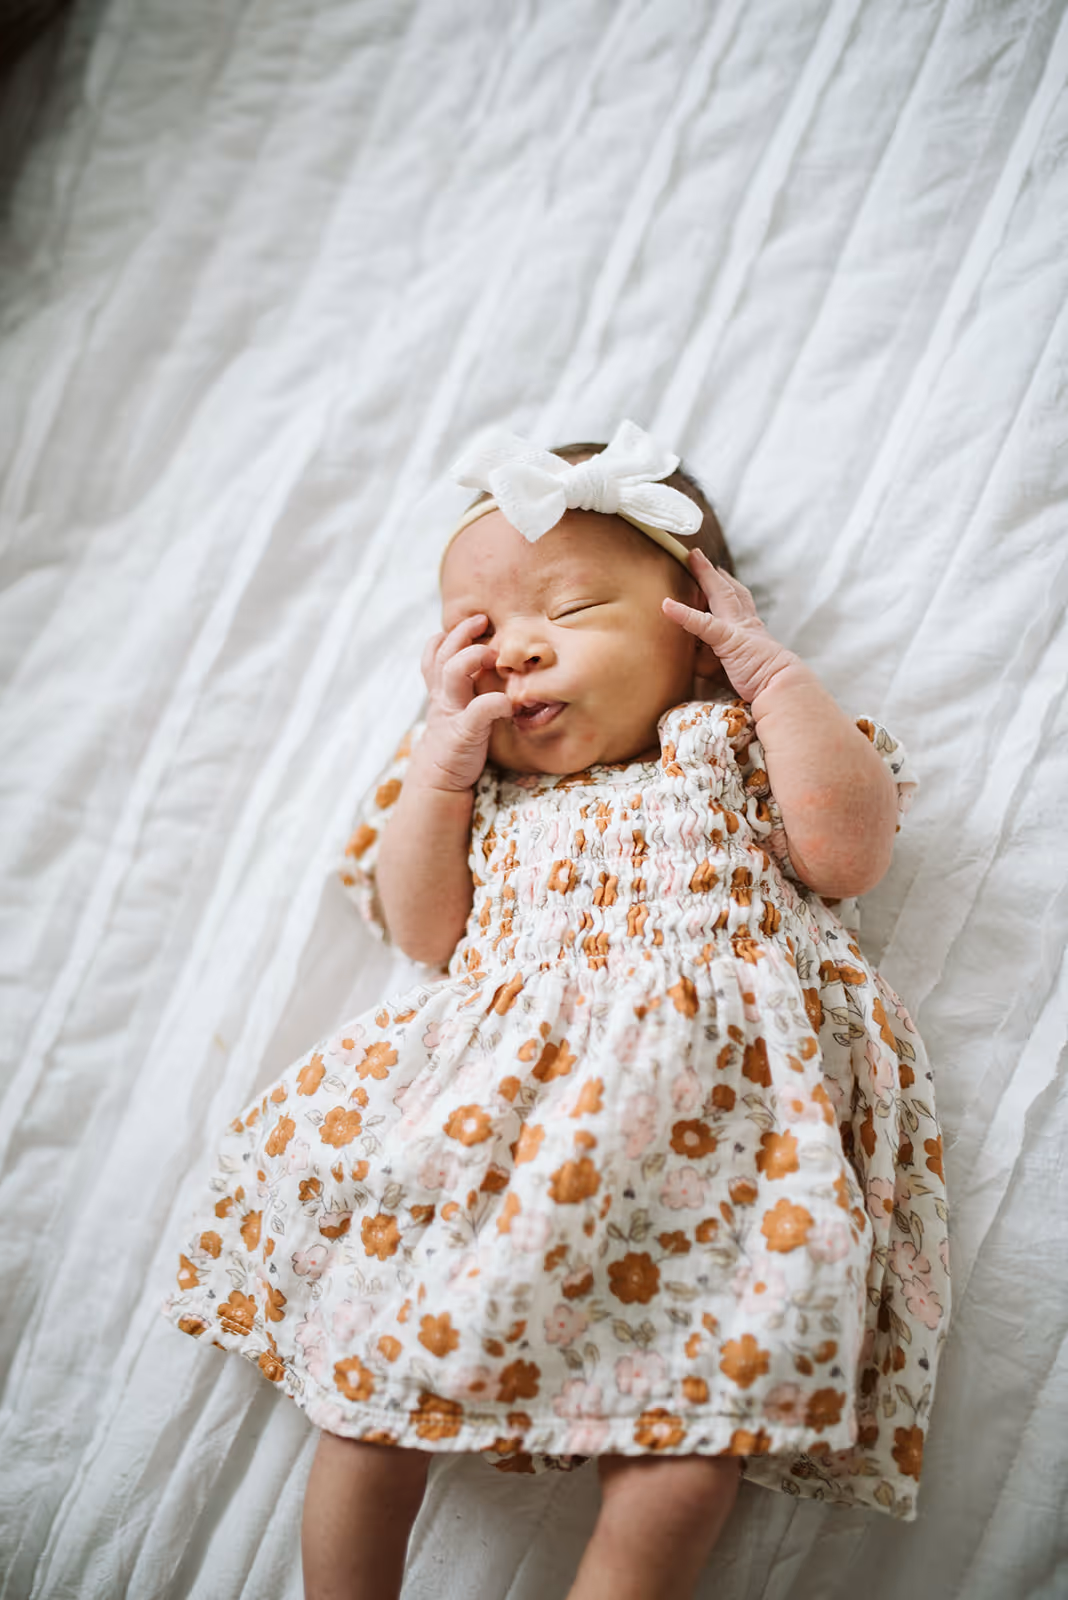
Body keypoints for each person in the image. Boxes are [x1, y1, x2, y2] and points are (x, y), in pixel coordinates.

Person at [165, 420, 950, 1600]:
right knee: (372, 1389)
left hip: (716, 1181)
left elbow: (848, 853)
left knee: (688, 1450)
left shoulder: (730, 744)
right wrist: (441, 762)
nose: (516, 650)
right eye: (474, 634)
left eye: (571, 609)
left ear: (699, 631)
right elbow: (425, 931)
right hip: (483, 1152)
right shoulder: (480, 793)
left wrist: (774, 678)